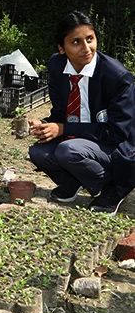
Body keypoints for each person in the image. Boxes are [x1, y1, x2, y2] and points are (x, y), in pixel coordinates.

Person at [28, 11, 135, 214]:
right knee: (38, 153)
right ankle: (73, 180)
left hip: (118, 144)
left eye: (90, 39)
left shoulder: (117, 77)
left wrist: (64, 128)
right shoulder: (57, 66)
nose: (86, 49)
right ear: (62, 48)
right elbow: (61, 112)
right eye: (76, 42)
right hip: (80, 139)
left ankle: (114, 187)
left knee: (67, 151)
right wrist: (45, 124)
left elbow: (117, 132)